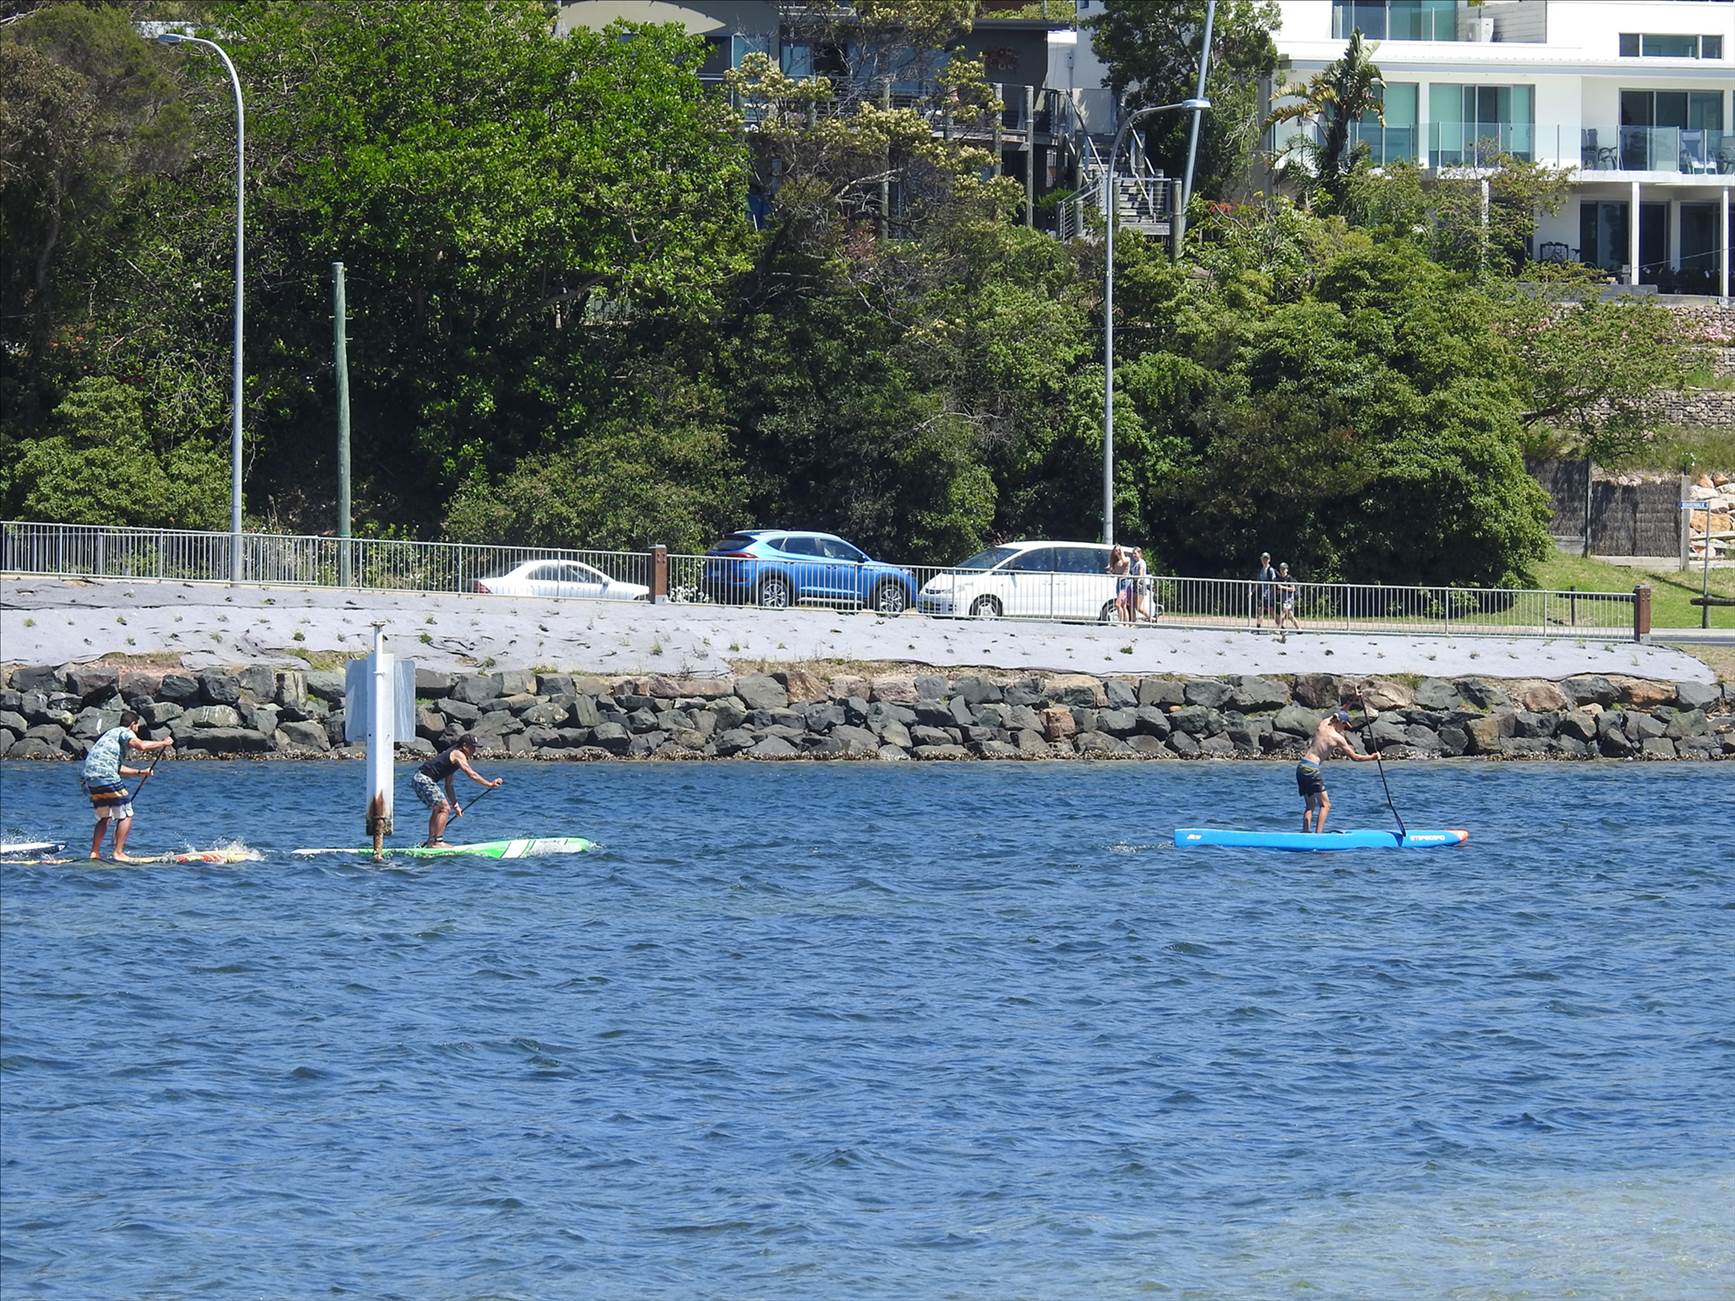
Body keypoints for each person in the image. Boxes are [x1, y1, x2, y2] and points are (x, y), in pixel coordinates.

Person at [81, 711, 174, 860]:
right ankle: (118, 853)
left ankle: (95, 852)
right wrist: (163, 743)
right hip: (106, 775)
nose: (137, 729)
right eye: (137, 726)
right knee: (126, 813)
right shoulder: (125, 732)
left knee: (105, 816)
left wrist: (140, 772)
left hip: (90, 778)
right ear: (133, 724)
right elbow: (141, 746)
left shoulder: (110, 734)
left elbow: (116, 768)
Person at [1296, 708, 1380, 834]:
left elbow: (1340, 711)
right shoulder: (1337, 738)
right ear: (1340, 722)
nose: (1344, 728)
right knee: (1325, 805)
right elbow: (1355, 757)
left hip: (1301, 767)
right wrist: (1372, 757)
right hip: (1312, 769)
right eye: (1344, 725)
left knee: (1310, 806)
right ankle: (1318, 836)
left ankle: (1305, 832)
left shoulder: (1324, 724)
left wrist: (1351, 701)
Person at [413, 735, 502, 846]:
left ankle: (432, 841)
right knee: (444, 808)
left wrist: (455, 805)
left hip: (418, 779)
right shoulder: (458, 754)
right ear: (464, 746)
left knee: (438, 808)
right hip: (423, 779)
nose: (474, 750)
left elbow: (448, 785)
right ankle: (437, 842)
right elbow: (471, 774)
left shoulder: (452, 759)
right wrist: (489, 784)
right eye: (472, 747)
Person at [1129, 546, 1155, 622]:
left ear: (1139, 553)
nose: (1134, 555)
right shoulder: (1135, 563)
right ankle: (1133, 622)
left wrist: (1139, 580)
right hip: (1135, 584)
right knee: (1132, 605)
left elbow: (1141, 573)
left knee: (1138, 606)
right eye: (1133, 553)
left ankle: (1151, 618)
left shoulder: (1142, 562)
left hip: (1140, 584)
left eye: (1135, 553)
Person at [1107, 543, 1132, 623]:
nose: (1117, 552)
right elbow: (1114, 574)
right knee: (1123, 605)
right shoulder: (1116, 562)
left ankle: (1121, 622)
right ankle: (1126, 623)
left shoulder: (1126, 559)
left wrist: (1121, 554)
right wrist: (1111, 571)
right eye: (1116, 550)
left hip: (1125, 582)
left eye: (1119, 550)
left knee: (1117, 604)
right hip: (1119, 582)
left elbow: (1124, 561)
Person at [1275, 562, 1300, 640]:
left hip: (1289, 599)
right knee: (1290, 615)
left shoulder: (1289, 578)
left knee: (1283, 613)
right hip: (1283, 599)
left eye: (1284, 569)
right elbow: (1279, 589)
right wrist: (1279, 590)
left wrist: (1282, 587)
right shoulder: (1280, 579)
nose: (1282, 570)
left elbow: (1293, 589)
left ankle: (1279, 629)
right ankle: (1299, 628)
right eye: (1281, 569)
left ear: (1287, 570)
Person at [1254, 552, 1277, 629]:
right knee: (1260, 609)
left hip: (1269, 594)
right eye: (1263, 559)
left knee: (1271, 611)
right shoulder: (1261, 570)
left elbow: (1274, 582)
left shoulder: (1271, 570)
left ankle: (1281, 626)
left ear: (1269, 560)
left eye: (1266, 559)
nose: (1265, 560)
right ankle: (1258, 627)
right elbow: (1258, 582)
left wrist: (1271, 593)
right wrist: (1252, 591)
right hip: (1263, 594)